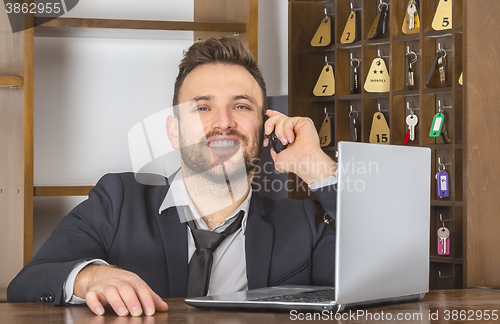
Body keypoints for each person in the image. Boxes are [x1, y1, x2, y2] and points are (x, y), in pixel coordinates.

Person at [8, 37, 338, 317]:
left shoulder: (303, 224)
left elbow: (384, 276)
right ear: (174, 132)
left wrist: (318, 167)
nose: (223, 123)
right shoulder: (117, 200)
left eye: (241, 106)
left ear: (265, 130)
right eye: (202, 107)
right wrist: (89, 277)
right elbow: (28, 282)